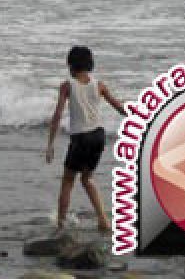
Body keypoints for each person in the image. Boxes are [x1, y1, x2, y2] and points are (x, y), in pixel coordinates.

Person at [45, 46, 126, 234]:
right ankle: (103, 220)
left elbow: (57, 115)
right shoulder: (99, 85)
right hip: (98, 136)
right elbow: (119, 107)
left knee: (67, 181)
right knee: (87, 178)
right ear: (90, 64)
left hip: (80, 138)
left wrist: (50, 145)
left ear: (70, 64)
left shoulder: (67, 85)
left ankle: (61, 224)